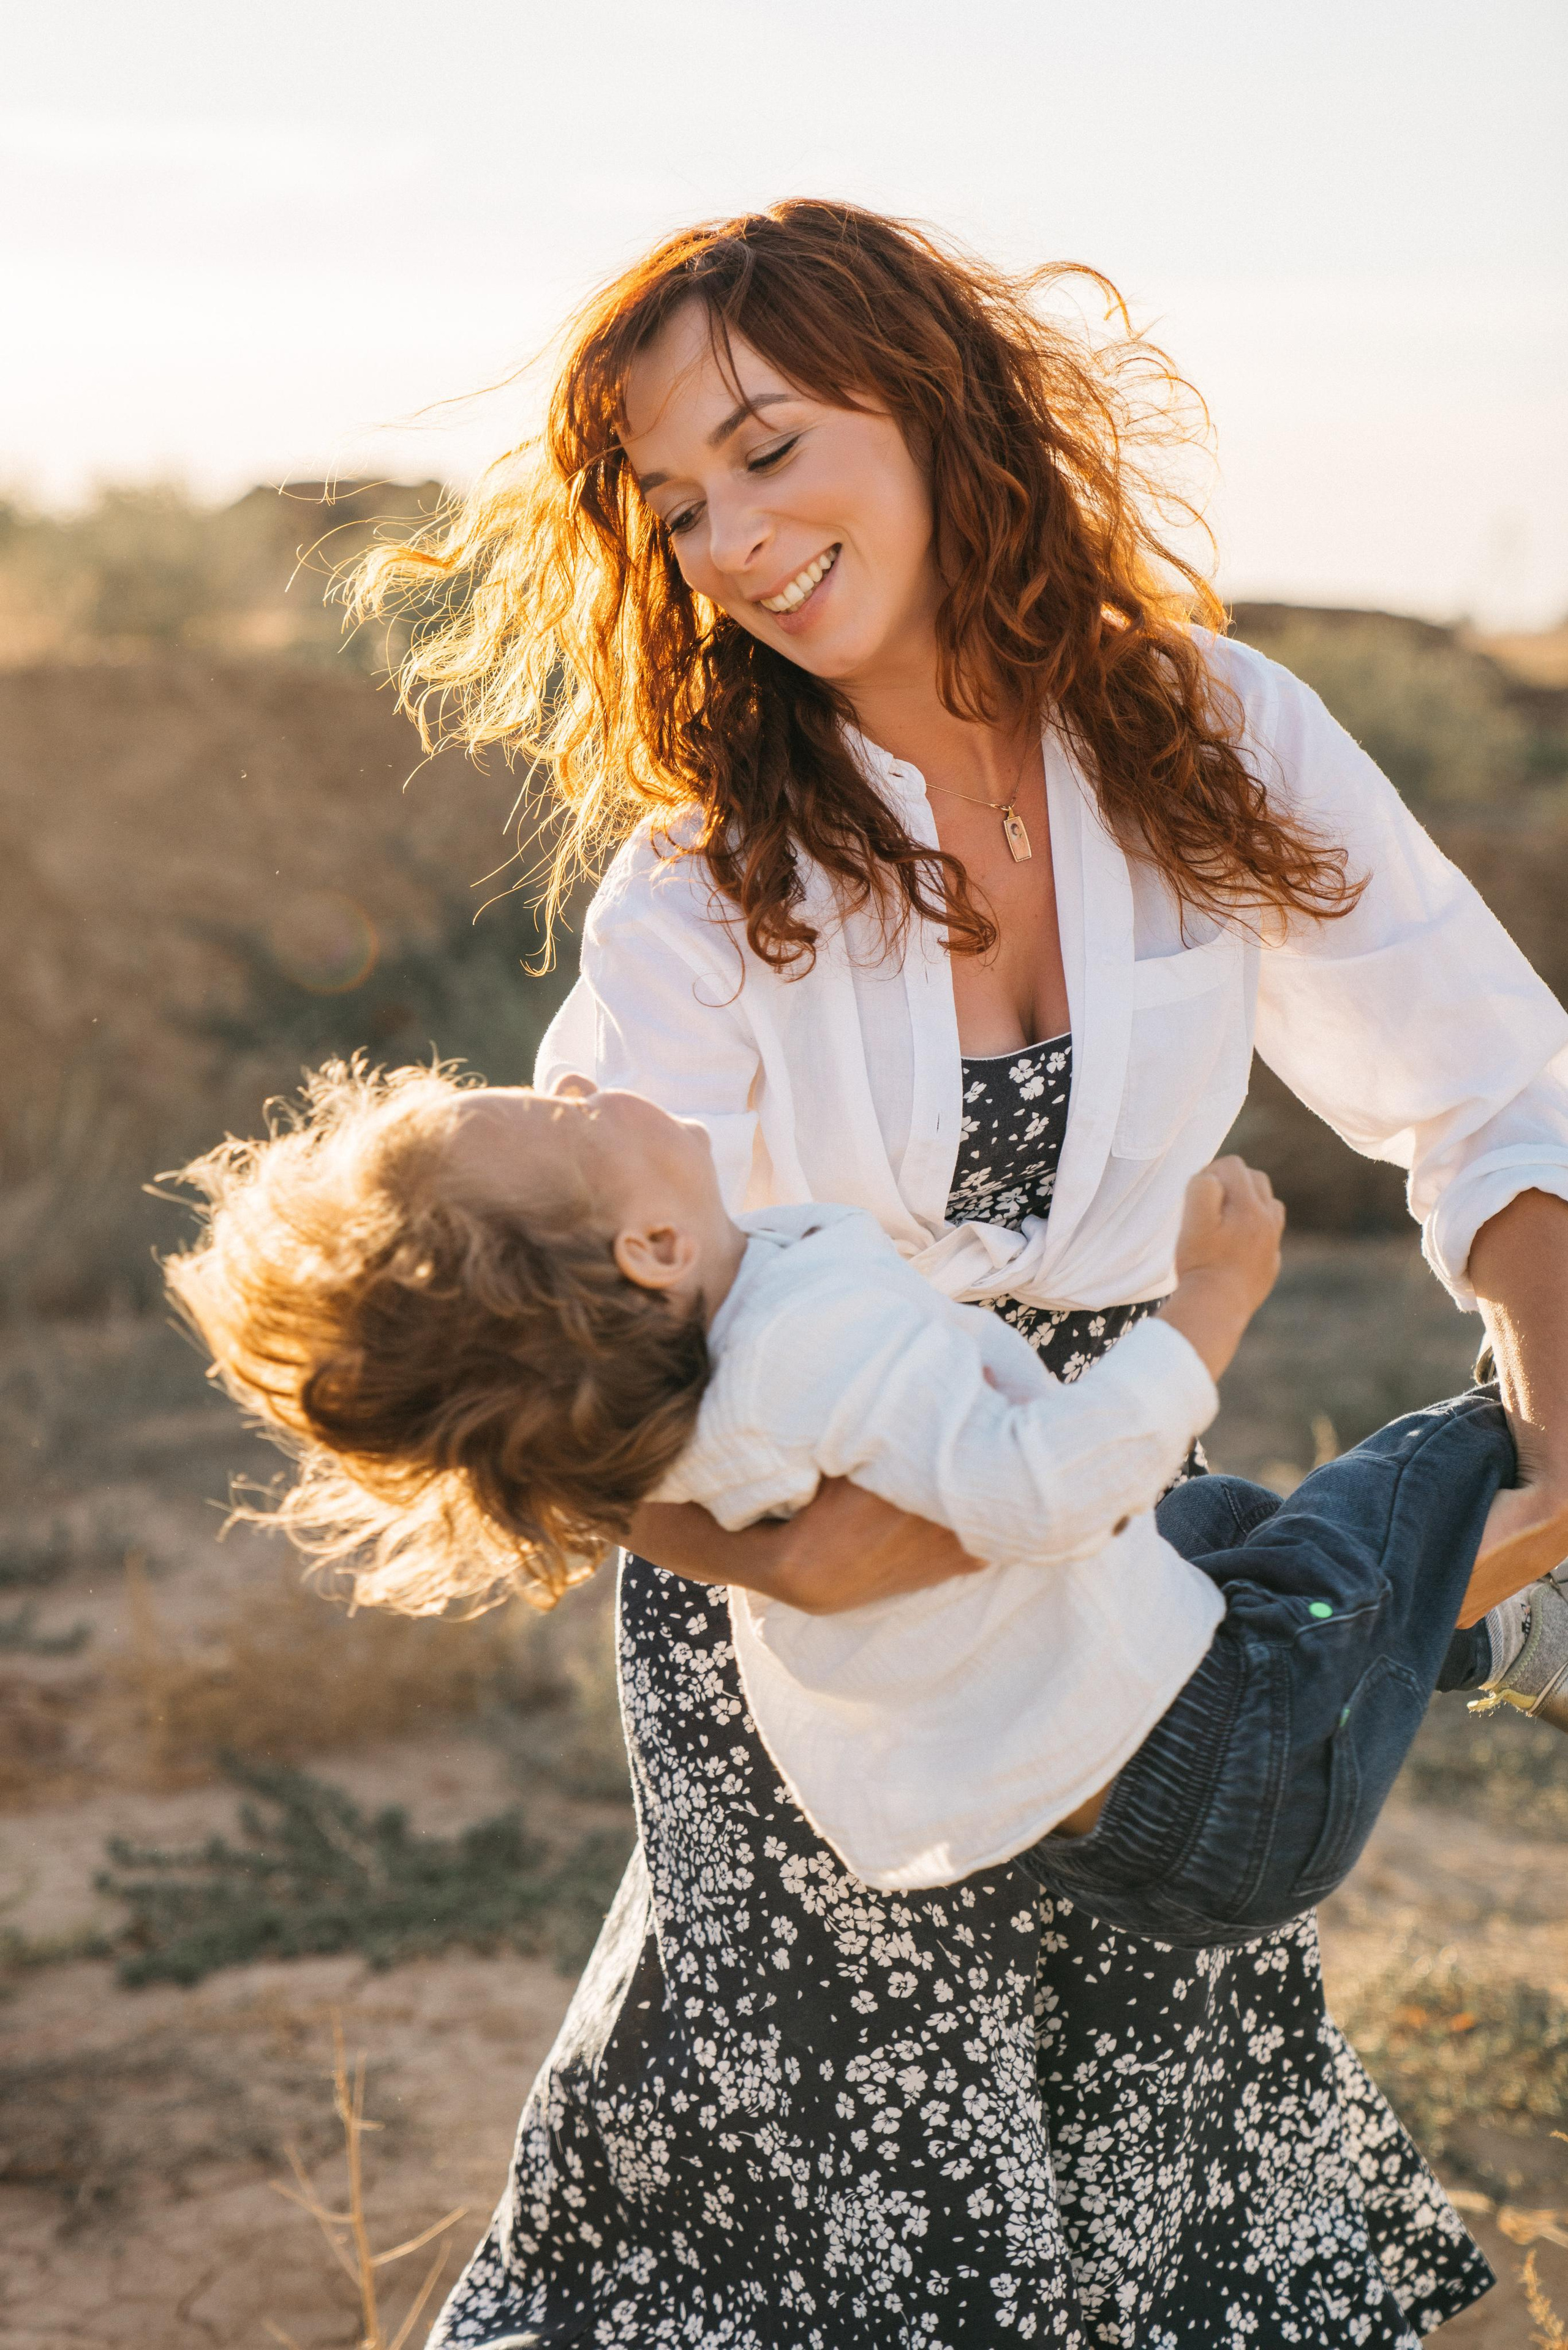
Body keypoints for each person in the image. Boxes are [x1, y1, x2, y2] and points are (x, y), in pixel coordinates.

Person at [344, 200, 1568, 2345]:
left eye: (767, 449)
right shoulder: (701, 878)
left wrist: (1557, 1461)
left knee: (1140, 2159)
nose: (732, 539)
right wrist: (805, 1552)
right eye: (677, 503)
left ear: (933, 407)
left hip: (1122, 1563)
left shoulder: (1217, 727)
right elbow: (570, 1330)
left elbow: (1495, 1090)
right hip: (821, 1631)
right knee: (849, 2222)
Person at [165, 1060, 1561, 1943]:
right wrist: (1212, 1298)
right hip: (1226, 1761)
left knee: (1230, 1526)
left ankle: (1487, 1636)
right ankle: (1513, 1577)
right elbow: (1044, 1489)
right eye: (567, 1114)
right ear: (651, 1244)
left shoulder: (671, 1398)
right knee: (1406, 1485)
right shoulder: (801, 1341)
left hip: (1125, 1819)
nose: (584, 1080)